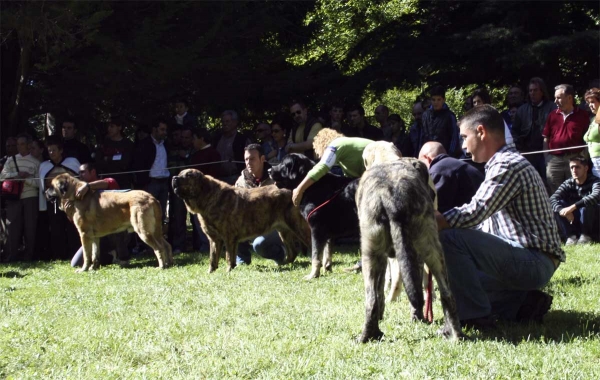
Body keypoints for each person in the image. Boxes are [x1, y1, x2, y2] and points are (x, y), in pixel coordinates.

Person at [436, 105, 564, 328]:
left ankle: (475, 318)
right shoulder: (502, 163)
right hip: (529, 259)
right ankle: (523, 303)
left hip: (534, 261)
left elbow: (475, 212)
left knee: (450, 239)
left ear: (481, 131)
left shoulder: (506, 165)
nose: (463, 146)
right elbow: (483, 224)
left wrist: (431, 221)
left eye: (465, 137)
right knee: (460, 285)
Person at [234, 144, 287, 266]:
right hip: (252, 222)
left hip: (277, 224)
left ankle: (281, 253)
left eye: (252, 159)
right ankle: (242, 260)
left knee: (259, 245)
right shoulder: (241, 181)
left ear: (262, 159)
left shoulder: (277, 177)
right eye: (246, 159)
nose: (248, 162)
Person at [292, 128, 372, 207]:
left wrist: (299, 190)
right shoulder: (345, 147)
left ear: (321, 144)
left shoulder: (336, 144)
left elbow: (322, 167)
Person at [70, 162, 130, 267]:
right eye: (79, 173)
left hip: (113, 228)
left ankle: (122, 258)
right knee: (75, 263)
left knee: (118, 230)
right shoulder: (79, 192)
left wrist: (87, 186)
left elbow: (108, 182)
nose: (80, 175)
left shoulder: (107, 182)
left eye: (83, 172)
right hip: (94, 232)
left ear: (93, 172)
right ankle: (109, 256)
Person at [39, 135, 81, 260]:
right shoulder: (44, 166)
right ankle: (59, 255)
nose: (51, 153)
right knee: (57, 228)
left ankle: (75, 253)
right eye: (49, 150)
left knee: (73, 227)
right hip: (54, 202)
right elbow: (41, 185)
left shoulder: (72, 162)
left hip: (72, 201)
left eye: (54, 150)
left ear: (61, 150)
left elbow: (79, 179)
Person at [543, 84, 590, 194]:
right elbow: (546, 137)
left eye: (559, 97)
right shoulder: (552, 115)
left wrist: (584, 158)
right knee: (555, 192)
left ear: (569, 98)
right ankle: (559, 211)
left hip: (575, 158)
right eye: (555, 97)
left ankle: (573, 211)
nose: (555, 101)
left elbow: (588, 138)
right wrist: (546, 158)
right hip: (554, 160)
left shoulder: (582, 115)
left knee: (576, 190)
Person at [0, 133, 40, 262]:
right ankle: (11, 256)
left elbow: (38, 184)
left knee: (30, 227)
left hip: (30, 197)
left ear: (28, 145)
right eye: (18, 144)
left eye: (22, 144)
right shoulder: (11, 160)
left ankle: (29, 256)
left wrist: (26, 179)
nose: (19, 147)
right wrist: (18, 174)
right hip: (13, 198)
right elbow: (2, 176)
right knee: (12, 226)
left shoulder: (36, 162)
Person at [511, 77, 556, 183]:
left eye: (535, 90)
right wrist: (519, 148)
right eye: (530, 90)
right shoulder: (522, 110)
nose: (532, 93)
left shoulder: (552, 108)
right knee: (529, 182)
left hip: (546, 152)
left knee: (549, 181)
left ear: (542, 91)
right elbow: (514, 131)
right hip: (527, 153)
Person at [418, 141, 484, 213]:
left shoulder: (438, 170)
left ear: (427, 158)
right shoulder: (456, 165)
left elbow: (432, 208)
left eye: (420, 163)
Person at [550, 156, 599, 245]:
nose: (574, 170)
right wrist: (562, 210)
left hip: (593, 220)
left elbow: (595, 196)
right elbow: (552, 198)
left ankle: (586, 236)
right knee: (559, 204)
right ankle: (571, 236)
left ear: (586, 168)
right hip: (573, 218)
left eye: (577, 167)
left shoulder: (595, 181)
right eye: (572, 167)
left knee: (587, 205)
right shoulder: (568, 183)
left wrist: (572, 207)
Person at [189, 128, 221, 251]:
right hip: (196, 195)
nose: (192, 141)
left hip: (209, 195)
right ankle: (204, 245)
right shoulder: (196, 154)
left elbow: (213, 175)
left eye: (194, 138)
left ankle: (212, 245)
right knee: (199, 221)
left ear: (201, 139)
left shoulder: (213, 153)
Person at [95, 115, 135, 189]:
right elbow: (98, 161)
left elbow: (126, 162)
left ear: (119, 127)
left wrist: (108, 159)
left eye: (112, 126)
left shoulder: (128, 144)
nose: (109, 129)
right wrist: (115, 160)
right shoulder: (104, 143)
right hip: (106, 182)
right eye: (108, 126)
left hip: (123, 182)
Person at [421, 86, 460, 157]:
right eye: (433, 100)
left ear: (444, 100)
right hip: (427, 153)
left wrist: (450, 154)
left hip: (444, 153)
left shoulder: (449, 116)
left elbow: (454, 137)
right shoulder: (425, 115)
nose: (436, 102)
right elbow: (422, 135)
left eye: (439, 99)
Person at [213, 110, 251, 184]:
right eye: (223, 122)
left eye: (227, 121)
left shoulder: (243, 139)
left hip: (236, 177)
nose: (225, 124)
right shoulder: (217, 139)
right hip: (218, 178)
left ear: (235, 122)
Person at [583, 88, 600, 177]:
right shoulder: (593, 119)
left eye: (592, 102)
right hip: (595, 161)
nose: (590, 105)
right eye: (588, 103)